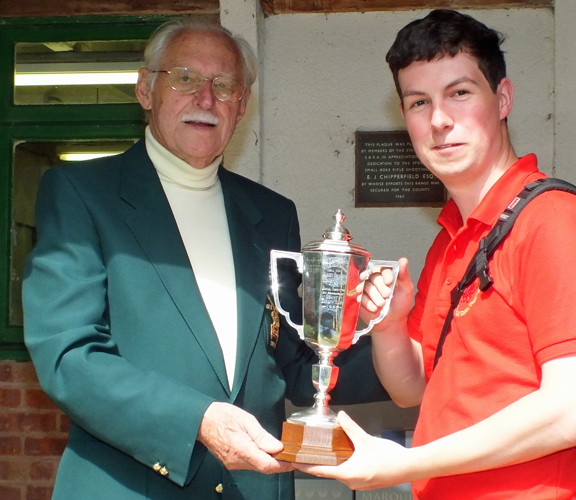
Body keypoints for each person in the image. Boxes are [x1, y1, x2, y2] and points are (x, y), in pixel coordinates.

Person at [22, 18, 387, 500]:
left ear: (242, 106)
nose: (205, 98)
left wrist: (403, 348)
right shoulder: (81, 195)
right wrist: (198, 420)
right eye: (185, 78)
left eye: (224, 85)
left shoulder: (273, 214)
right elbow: (70, 356)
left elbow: (297, 364)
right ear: (146, 90)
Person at [297, 9, 576, 499]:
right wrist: (390, 323)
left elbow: (575, 408)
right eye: (419, 102)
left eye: (460, 93)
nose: (440, 120)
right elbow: (414, 389)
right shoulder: (451, 238)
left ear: (503, 98)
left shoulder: (554, 221)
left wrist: (406, 463)